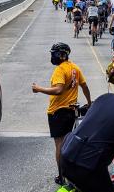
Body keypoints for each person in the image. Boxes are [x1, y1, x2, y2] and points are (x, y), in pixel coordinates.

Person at [32, 43, 91, 184]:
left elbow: (58, 90)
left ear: (63, 55)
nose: (52, 56)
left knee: (59, 144)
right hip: (71, 111)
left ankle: (61, 175)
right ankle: (69, 171)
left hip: (57, 112)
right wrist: (89, 102)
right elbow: (84, 86)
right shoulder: (75, 68)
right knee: (67, 142)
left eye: (55, 53)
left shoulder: (60, 70)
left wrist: (38, 89)